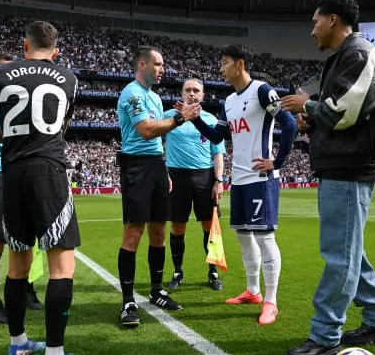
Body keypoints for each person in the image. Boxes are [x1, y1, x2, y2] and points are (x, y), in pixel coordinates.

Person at [0, 21, 97, 355]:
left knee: (17, 264)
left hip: (11, 175)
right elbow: (58, 127)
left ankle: (18, 341)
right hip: (48, 173)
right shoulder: (68, 77)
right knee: (62, 268)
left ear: (24, 46)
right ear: (55, 52)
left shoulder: (0, 73)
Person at [281, 0, 375, 355]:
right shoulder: (344, 57)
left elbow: (346, 112)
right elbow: (341, 113)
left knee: (340, 258)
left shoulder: (360, 52)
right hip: (341, 166)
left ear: (333, 19)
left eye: (315, 21)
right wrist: (313, 117)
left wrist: (309, 106)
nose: (312, 30)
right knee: (350, 253)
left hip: (350, 169)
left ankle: (325, 335)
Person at [187, 44, 298, 325]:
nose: (221, 69)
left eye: (224, 63)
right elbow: (215, 136)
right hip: (239, 179)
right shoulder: (229, 102)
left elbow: (289, 123)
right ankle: (253, 291)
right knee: (244, 237)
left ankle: (271, 301)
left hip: (261, 179)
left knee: (264, 238)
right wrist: (196, 118)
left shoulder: (262, 91)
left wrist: (279, 161)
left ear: (239, 64)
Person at [116, 46, 201, 327]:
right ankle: (128, 300)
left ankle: (156, 291)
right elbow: (145, 130)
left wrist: (163, 168)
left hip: (154, 164)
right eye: (158, 64)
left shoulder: (153, 96)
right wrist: (179, 118)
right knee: (133, 233)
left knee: (158, 231)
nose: (162, 69)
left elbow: (157, 138)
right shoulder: (133, 93)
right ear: (142, 64)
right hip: (136, 166)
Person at [0, 53, 43, 325]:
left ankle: (28, 288)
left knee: (32, 236)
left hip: (23, 170)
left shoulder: (17, 100)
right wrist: (21, 118)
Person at [163, 78, 226, 292]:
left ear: (203, 94)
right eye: (188, 90)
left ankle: (213, 272)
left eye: (196, 90)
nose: (192, 93)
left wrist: (219, 181)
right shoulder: (168, 117)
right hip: (176, 177)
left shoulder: (211, 120)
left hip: (204, 177)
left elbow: (218, 154)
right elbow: (155, 144)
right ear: (181, 93)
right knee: (177, 226)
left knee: (210, 227)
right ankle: (178, 271)